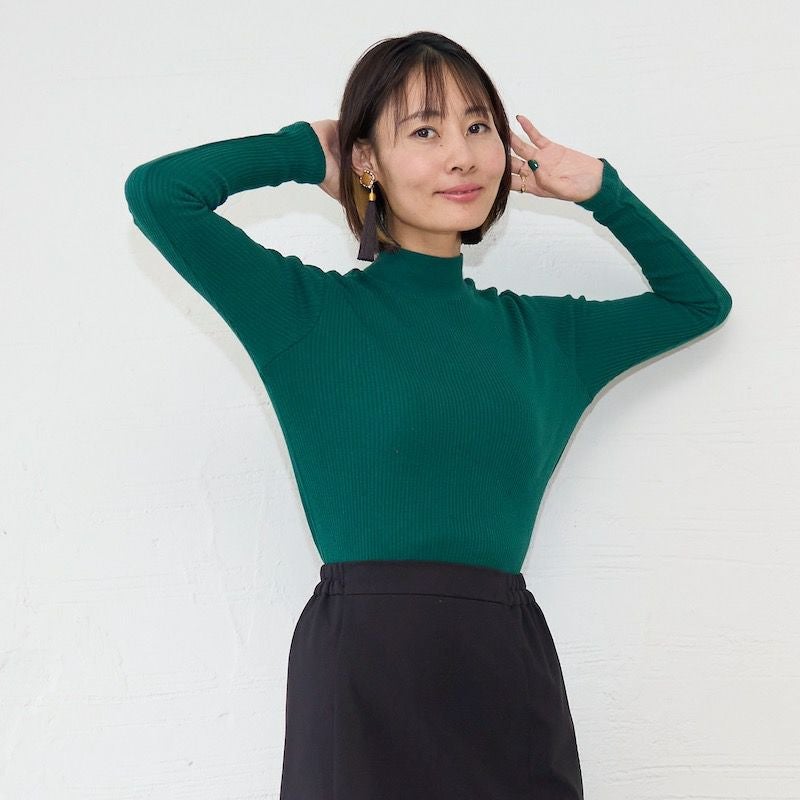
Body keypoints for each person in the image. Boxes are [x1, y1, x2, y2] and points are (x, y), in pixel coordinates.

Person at [123, 30, 732, 800]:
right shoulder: (306, 317)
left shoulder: (545, 338)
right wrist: (308, 150)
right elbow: (159, 194)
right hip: (364, 676)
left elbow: (698, 303)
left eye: (478, 127)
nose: (461, 155)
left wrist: (602, 191)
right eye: (424, 131)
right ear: (367, 160)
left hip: (503, 669)